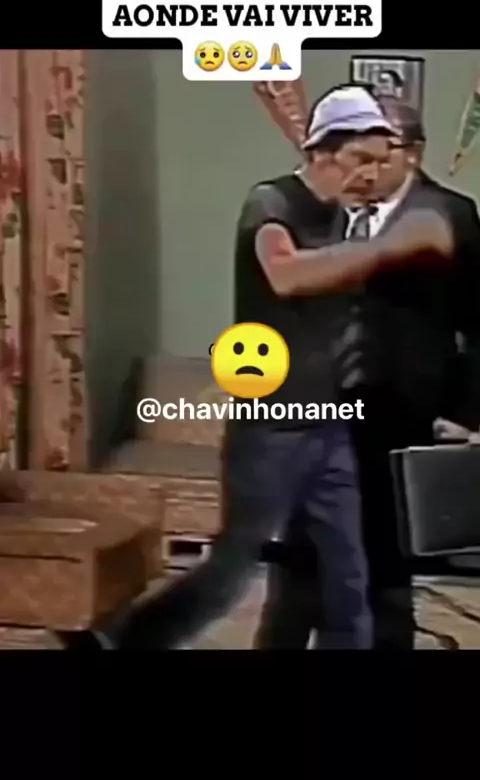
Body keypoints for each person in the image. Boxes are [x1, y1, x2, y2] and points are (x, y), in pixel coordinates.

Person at [108, 86, 451, 651]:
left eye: (378, 161)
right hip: (271, 427)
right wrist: (391, 247)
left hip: (330, 424)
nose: (370, 174)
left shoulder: (342, 214)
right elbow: (287, 274)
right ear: (322, 153)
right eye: (359, 159)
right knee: (230, 571)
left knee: (348, 577)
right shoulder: (268, 204)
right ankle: (125, 641)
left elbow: (358, 219)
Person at [254, 95, 480, 651]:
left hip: (402, 419)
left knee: (385, 572)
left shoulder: (451, 214)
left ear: (411, 153)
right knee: (299, 564)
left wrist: (468, 414)